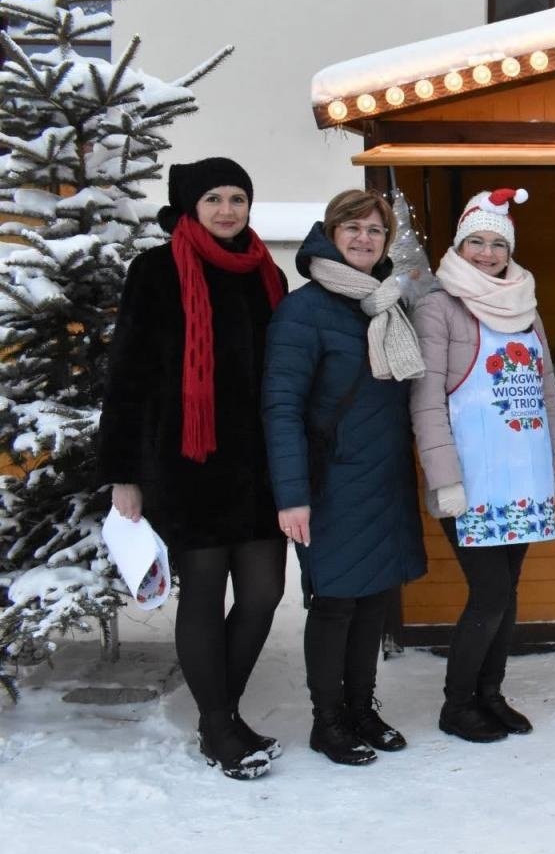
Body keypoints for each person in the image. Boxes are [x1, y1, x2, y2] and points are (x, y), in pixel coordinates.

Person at [99, 158, 287, 781]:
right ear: (189, 205)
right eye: (214, 198)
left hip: (258, 463)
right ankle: (217, 724)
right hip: (186, 461)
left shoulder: (265, 271)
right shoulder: (155, 271)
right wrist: (125, 473)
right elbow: (126, 375)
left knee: (263, 594)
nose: (228, 209)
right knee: (205, 595)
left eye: (238, 197)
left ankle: (222, 713)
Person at [263, 189, 427, 767]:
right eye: (352, 228)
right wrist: (292, 497)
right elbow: (280, 407)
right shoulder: (302, 311)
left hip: (382, 479)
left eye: (375, 231)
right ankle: (326, 720)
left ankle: (361, 707)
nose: (363, 239)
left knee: (374, 599)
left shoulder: (385, 303)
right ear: (329, 234)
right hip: (329, 483)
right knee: (335, 603)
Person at [410, 188, 555, 742]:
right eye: (475, 241)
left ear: (509, 250)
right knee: (490, 595)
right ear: (459, 244)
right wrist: (444, 482)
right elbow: (427, 400)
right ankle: (457, 705)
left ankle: (490, 695)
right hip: (471, 481)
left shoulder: (526, 306)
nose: (484, 253)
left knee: (509, 591)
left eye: (495, 244)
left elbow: (547, 394)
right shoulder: (439, 306)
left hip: (523, 476)